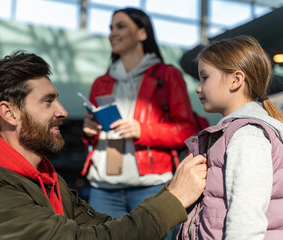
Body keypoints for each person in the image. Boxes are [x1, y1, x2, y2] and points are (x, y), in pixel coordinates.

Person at [0, 51, 207, 239]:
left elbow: (105, 228)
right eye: (48, 102)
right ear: (9, 113)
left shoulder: (45, 177)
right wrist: (174, 199)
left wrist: (174, 193)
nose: (63, 111)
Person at [81, 8, 198, 231]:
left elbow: (186, 130)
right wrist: (88, 131)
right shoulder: (100, 82)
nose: (112, 33)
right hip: (103, 188)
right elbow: (93, 134)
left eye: (121, 26)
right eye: (111, 28)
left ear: (143, 34)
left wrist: (141, 130)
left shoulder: (168, 75)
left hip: (150, 186)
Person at [178, 36, 283, 239]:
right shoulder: (234, 133)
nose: (198, 87)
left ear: (236, 80)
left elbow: (246, 219)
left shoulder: (248, 136)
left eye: (205, 78)